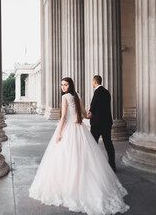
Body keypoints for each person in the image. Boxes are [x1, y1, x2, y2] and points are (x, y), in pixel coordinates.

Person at [29, 77, 129, 214]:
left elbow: (64, 117)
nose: (63, 87)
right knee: (81, 155)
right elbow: (84, 113)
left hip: (69, 128)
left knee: (66, 156)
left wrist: (59, 133)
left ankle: (69, 187)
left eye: (65, 85)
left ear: (70, 85)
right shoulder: (77, 95)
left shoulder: (65, 98)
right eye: (62, 85)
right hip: (79, 128)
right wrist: (89, 114)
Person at [87, 75, 116, 172]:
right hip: (107, 122)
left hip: (97, 123)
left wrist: (90, 112)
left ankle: (92, 165)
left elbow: (93, 105)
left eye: (92, 82)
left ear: (95, 82)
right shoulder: (107, 92)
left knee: (93, 143)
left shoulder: (97, 92)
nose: (92, 83)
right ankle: (112, 165)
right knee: (108, 143)